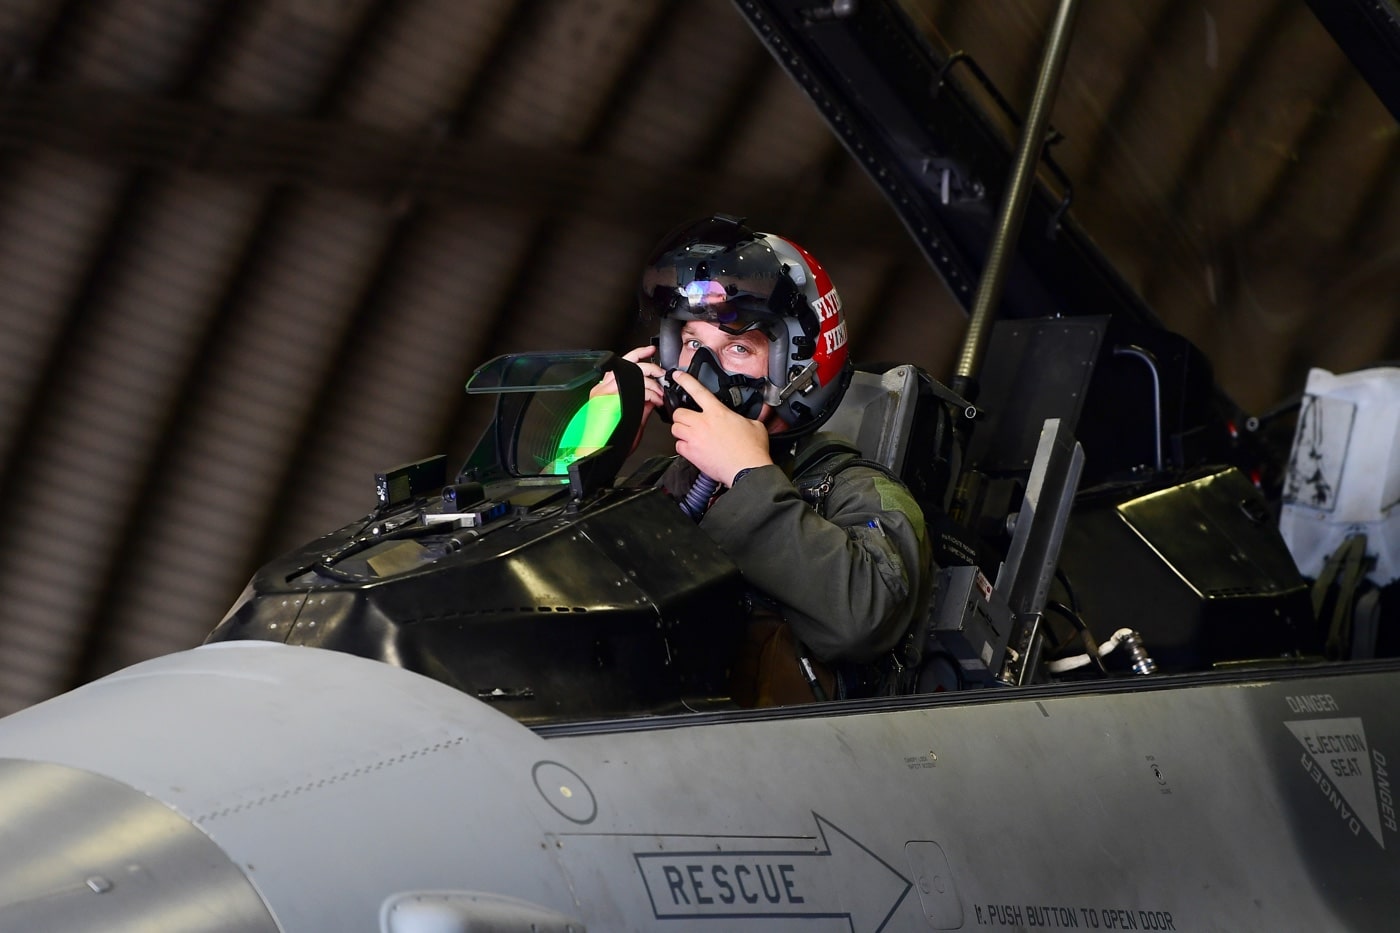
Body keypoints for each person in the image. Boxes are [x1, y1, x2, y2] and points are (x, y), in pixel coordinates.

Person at [607, 213, 933, 705]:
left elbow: (863, 616)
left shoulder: (857, 492)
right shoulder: (658, 484)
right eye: (692, 341)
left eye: (737, 347)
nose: (698, 367)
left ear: (800, 366)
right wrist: (591, 453)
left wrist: (748, 476)